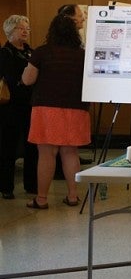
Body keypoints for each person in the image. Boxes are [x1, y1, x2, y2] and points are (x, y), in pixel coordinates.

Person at [22, 13, 90, 209]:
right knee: (70, 152)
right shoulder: (82, 55)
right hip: (76, 108)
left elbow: (28, 80)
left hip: (46, 107)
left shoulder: (42, 52)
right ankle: (73, 196)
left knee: (46, 153)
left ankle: (41, 199)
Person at [0, 15, 38, 199]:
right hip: (11, 107)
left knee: (32, 146)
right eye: (20, 28)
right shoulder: (5, 53)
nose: (25, 31)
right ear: (9, 31)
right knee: (8, 146)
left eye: (27, 28)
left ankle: (31, 185)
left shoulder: (31, 52)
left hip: (31, 105)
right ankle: (6, 186)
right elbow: (10, 78)